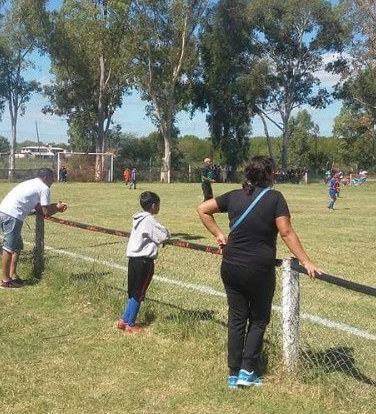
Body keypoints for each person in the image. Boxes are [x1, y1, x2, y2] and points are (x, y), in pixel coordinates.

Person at [196, 156, 321, 389]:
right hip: (258, 268)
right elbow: (286, 232)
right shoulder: (275, 198)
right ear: (271, 174)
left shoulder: (234, 195)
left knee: (236, 317)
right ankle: (248, 370)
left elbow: (203, 209)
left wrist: (219, 235)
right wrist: (306, 261)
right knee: (258, 319)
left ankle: (233, 373)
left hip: (231, 264)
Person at [0, 168, 68, 289]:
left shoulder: (31, 183)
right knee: (8, 247)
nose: (54, 180)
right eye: (52, 177)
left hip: (4, 212)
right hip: (13, 215)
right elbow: (45, 211)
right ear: (45, 178)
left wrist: (54, 207)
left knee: (17, 246)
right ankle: (5, 281)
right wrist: (57, 207)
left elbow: (38, 208)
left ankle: (13, 275)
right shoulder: (44, 188)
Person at [114, 191, 170, 333]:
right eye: (158, 205)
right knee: (139, 293)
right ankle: (130, 324)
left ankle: (124, 320)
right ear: (153, 206)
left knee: (133, 292)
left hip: (133, 260)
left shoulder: (138, 219)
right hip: (144, 261)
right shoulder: (149, 220)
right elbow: (162, 236)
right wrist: (168, 235)